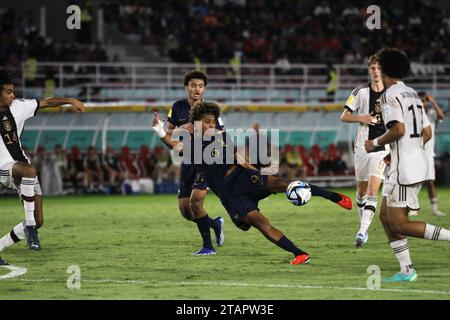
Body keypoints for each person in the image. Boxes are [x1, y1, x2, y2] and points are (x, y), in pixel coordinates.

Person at [152, 102, 353, 265]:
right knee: (261, 222)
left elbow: (237, 158)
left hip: (244, 177)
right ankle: (299, 254)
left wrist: (255, 171)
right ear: (196, 123)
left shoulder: (222, 137)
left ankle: (334, 197)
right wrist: (160, 131)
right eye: (206, 122)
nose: (211, 126)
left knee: (282, 182)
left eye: (213, 122)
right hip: (231, 195)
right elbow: (173, 144)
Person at [365, 48, 450, 282]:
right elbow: (426, 132)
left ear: (384, 70)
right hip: (410, 163)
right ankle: (406, 270)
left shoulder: (389, 95)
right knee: (384, 216)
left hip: (405, 171)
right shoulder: (412, 93)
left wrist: (374, 143)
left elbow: (398, 129)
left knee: (399, 224)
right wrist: (406, 150)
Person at [0, 69, 84, 264]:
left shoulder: (19, 107)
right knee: (30, 170)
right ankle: (28, 226)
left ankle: (9, 240)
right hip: (4, 168)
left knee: (39, 221)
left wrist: (70, 100)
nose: (12, 95)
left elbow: (46, 102)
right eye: (8, 92)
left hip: (21, 166)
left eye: (13, 91)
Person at [165, 70, 224, 255]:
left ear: (204, 89)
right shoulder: (177, 107)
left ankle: (208, 247)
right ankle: (215, 223)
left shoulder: (211, 109)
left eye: (200, 86)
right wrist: (181, 130)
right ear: (186, 87)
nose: (197, 89)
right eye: (193, 85)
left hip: (206, 161)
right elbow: (169, 134)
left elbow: (221, 134)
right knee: (186, 211)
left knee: (196, 202)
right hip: (187, 161)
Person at [340, 54, 387, 247]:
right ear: (369, 70)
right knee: (360, 190)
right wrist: (362, 118)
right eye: (373, 68)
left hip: (382, 148)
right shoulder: (360, 92)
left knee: (372, 190)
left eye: (379, 68)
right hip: (362, 147)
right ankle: (363, 226)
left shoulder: (392, 93)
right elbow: (344, 116)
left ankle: (362, 231)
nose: (376, 72)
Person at [410, 92, 446, 217]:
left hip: (429, 153)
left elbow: (442, 116)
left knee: (430, 181)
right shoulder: (412, 114)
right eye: (421, 100)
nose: (423, 102)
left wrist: (433, 101)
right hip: (415, 152)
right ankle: (412, 207)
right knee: (415, 181)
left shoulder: (431, 114)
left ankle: (434, 209)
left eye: (425, 100)